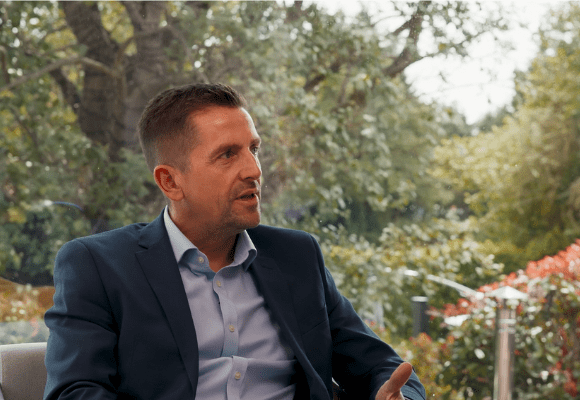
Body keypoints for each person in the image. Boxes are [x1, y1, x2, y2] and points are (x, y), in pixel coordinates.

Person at [43, 83, 426, 400]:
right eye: (228, 155)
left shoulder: (297, 256)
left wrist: (399, 397)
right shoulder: (97, 265)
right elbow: (75, 392)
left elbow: (382, 367)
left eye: (254, 149)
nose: (254, 170)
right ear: (170, 182)